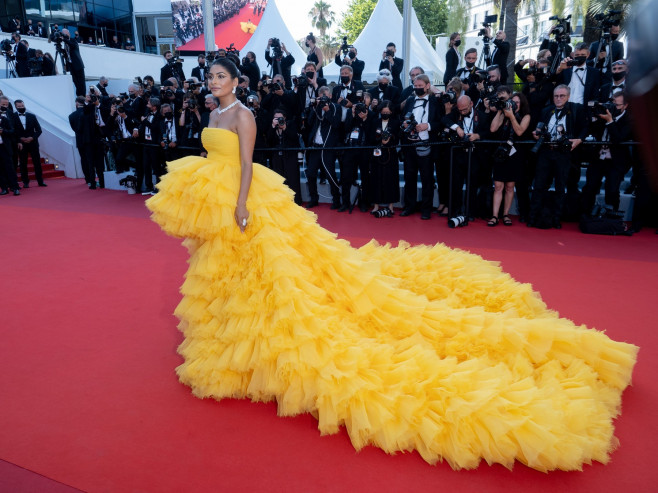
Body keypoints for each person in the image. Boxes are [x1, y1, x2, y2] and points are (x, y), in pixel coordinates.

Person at [145, 56, 637, 474]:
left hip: (245, 204)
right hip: (217, 205)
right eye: (209, 78)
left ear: (236, 80)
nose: (213, 83)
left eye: (220, 77)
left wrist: (242, 205)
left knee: (279, 281)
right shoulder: (212, 116)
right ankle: (234, 342)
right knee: (227, 280)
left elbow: (248, 164)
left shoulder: (244, 116)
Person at [529, 85, 588, 229]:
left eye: (562, 96)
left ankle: (556, 219)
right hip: (546, 151)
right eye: (556, 96)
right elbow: (538, 128)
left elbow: (585, 127)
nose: (558, 99)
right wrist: (536, 133)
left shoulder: (576, 109)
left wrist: (579, 139)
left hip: (564, 153)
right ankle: (533, 218)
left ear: (568, 96)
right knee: (538, 186)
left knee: (561, 187)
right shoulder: (546, 110)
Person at [488, 89, 531, 226]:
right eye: (513, 102)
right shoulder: (504, 114)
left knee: (510, 186)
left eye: (518, 102)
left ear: (522, 104)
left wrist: (512, 116)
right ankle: (495, 216)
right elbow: (493, 129)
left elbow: (519, 131)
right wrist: (501, 110)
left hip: (515, 155)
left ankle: (505, 214)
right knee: (498, 186)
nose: (515, 104)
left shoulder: (526, 116)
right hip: (501, 153)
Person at [11, 100, 46, 188]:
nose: (21, 107)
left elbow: (39, 130)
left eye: (22, 105)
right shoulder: (12, 117)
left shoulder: (32, 116)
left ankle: (40, 181)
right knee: (23, 163)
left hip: (33, 143)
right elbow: (13, 131)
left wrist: (32, 138)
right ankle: (25, 182)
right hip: (21, 144)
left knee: (37, 162)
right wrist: (20, 139)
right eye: (19, 106)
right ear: (15, 107)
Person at [61, 29, 86, 96]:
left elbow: (73, 46)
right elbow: (67, 54)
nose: (64, 36)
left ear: (68, 34)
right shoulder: (65, 43)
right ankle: (79, 96)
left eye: (64, 34)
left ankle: (83, 96)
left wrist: (65, 40)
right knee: (75, 82)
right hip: (71, 65)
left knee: (81, 82)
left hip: (78, 65)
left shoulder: (73, 40)